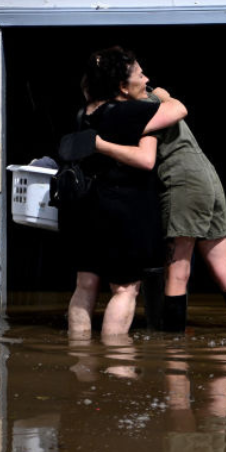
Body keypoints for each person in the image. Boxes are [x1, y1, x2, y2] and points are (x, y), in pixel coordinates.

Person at [93, 86, 226, 332]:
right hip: (207, 178)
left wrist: (98, 143)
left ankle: (173, 352)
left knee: (177, 273)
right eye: (141, 75)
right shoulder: (157, 101)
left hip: (183, 181)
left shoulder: (142, 108)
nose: (147, 79)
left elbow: (145, 156)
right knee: (225, 270)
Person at [62, 47, 187, 337]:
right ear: (122, 86)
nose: (145, 79)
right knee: (125, 289)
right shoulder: (130, 112)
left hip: (86, 208)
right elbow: (179, 110)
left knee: (85, 285)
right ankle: (117, 368)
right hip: (123, 208)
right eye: (140, 75)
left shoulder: (85, 113)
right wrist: (164, 95)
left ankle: (81, 364)